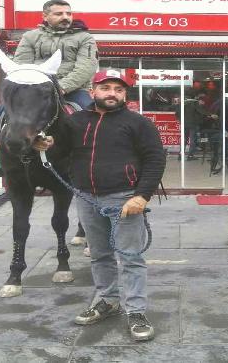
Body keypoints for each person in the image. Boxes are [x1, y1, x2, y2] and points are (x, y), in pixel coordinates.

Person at [37, 69, 165, 341]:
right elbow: (61, 154)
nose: (112, 93)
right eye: (106, 88)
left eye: (118, 89)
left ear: (125, 95)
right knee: (100, 255)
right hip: (87, 198)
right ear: (92, 91)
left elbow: (155, 159)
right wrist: (47, 145)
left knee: (130, 257)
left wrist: (141, 195)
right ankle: (107, 300)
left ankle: (136, 311)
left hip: (125, 198)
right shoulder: (76, 121)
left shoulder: (138, 123)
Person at [0, 0, 99, 176]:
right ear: (45, 16)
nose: (65, 17)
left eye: (68, 13)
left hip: (73, 90)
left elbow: (86, 67)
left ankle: (88, 162)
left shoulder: (85, 38)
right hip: (34, 91)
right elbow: (20, 64)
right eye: (59, 13)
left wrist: (61, 87)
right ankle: (6, 159)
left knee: (89, 118)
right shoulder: (30, 37)